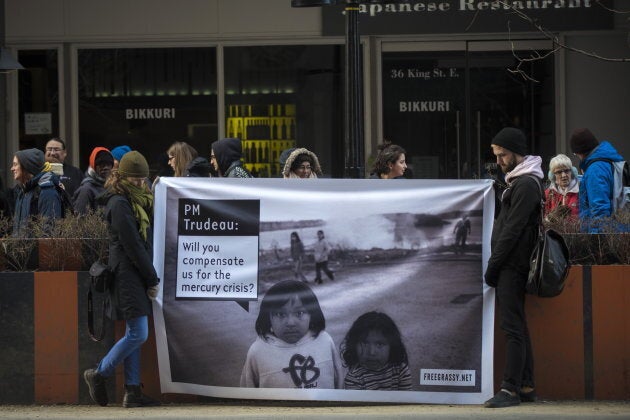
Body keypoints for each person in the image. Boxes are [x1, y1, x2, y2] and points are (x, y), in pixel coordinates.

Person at [83, 151, 160, 408]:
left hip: (133, 274)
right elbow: (133, 245)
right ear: (123, 177)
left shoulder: (139, 199)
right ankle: (99, 373)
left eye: (142, 179)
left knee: (133, 332)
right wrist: (151, 277)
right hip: (128, 275)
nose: (140, 183)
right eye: (135, 179)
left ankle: (133, 392)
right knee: (138, 334)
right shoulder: (119, 203)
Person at [483, 127, 543, 408]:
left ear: (518, 152)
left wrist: (493, 266)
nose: (499, 161)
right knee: (517, 325)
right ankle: (526, 384)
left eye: (503, 154)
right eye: (496, 155)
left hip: (512, 265)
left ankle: (510, 390)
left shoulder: (526, 185)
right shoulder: (516, 182)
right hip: (511, 263)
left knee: (512, 328)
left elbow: (513, 230)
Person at [240, 280, 343, 389]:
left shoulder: (325, 341)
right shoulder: (258, 351)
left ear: (312, 315)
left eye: (299, 313)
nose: (290, 323)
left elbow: (339, 382)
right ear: (268, 318)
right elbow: (247, 391)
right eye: (280, 314)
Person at [569, 128, 624, 232]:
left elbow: (599, 211)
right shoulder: (607, 160)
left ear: (581, 152)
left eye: (575, 153)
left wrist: (596, 241)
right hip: (618, 230)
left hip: (605, 235)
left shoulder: (595, 170)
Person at [341, 311, 412, 391]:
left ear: (392, 346)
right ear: (354, 345)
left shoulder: (401, 370)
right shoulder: (353, 378)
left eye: (379, 344)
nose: (372, 352)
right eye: (364, 343)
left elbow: (406, 400)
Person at [11, 148, 65, 237]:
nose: (12, 168)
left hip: (39, 250)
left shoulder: (47, 192)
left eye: (15, 164)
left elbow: (49, 234)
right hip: (23, 250)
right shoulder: (23, 191)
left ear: (27, 167)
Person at [72, 147, 114, 215]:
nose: (105, 168)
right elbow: (79, 221)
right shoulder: (86, 190)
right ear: (94, 166)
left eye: (108, 164)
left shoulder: (112, 187)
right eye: (101, 165)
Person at [544, 154, 579, 222]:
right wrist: (550, 219)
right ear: (553, 175)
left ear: (572, 172)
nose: (564, 175)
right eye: (559, 172)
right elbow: (543, 220)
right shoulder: (548, 194)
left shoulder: (581, 191)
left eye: (566, 171)